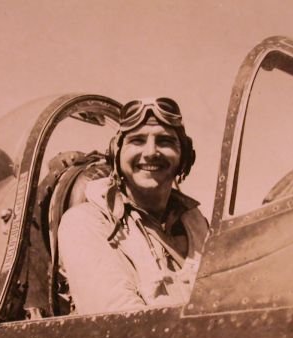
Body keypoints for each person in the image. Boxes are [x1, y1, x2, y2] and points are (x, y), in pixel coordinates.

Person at [58, 97, 209, 314]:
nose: (151, 152)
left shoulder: (197, 224)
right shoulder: (85, 224)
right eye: (137, 141)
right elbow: (124, 325)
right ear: (116, 153)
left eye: (165, 141)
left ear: (185, 156)